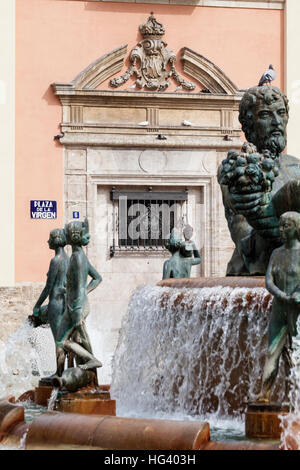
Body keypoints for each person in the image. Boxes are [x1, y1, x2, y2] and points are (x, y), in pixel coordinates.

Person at [218, 85, 300, 276]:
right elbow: (245, 239)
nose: (276, 122)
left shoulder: (297, 166)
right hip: (259, 270)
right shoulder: (237, 170)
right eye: (265, 115)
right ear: (248, 125)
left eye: (281, 113)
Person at [258, 212, 300, 403]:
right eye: (280, 226)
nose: (281, 230)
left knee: (295, 354)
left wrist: (297, 294)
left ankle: (292, 397)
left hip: (297, 310)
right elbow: (268, 281)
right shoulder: (276, 253)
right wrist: (281, 294)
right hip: (279, 308)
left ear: (297, 228)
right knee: (272, 351)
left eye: (286, 226)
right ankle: (264, 394)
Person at [55, 218, 102, 372]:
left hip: (77, 306)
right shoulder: (78, 255)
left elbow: (83, 283)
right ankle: (90, 360)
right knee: (61, 341)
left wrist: (78, 305)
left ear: (73, 236)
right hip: (74, 304)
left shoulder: (78, 258)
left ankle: (92, 360)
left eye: (67, 233)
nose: (65, 235)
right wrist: (79, 291)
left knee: (79, 336)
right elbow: (97, 278)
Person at [29, 228, 69, 381]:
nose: (48, 242)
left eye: (50, 239)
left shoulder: (56, 260)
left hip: (56, 304)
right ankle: (66, 371)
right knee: (65, 339)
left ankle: (59, 374)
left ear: (56, 240)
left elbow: (48, 287)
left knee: (58, 340)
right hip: (65, 302)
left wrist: (37, 305)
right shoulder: (69, 259)